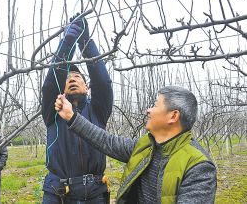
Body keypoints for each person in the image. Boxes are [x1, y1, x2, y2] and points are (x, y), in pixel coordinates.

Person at [55, 86, 217, 204]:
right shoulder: (146, 146)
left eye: (155, 104)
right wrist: (72, 117)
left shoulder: (199, 167)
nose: (148, 110)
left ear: (173, 116)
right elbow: (106, 141)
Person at [41, 16, 113, 203]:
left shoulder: (98, 110)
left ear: (87, 87)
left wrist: (85, 42)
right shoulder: (53, 110)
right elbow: (50, 83)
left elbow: (103, 81)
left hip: (95, 193)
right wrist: (68, 42)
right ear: (62, 88)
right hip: (58, 193)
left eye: (77, 77)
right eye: (68, 78)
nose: (72, 79)